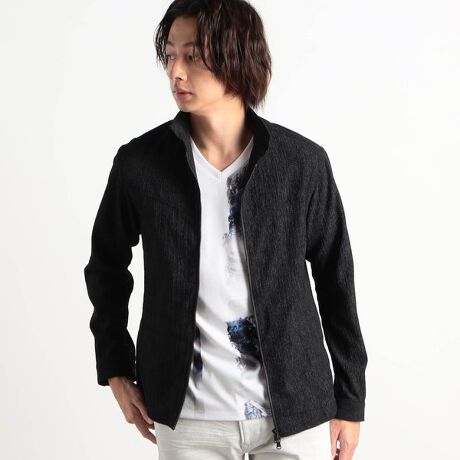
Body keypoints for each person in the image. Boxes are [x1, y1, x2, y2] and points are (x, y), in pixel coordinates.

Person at [83, 1, 368, 459]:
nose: (175, 71)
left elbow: (337, 281)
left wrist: (351, 399)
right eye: (170, 55)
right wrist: (116, 367)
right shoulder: (141, 164)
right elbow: (106, 266)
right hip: (189, 418)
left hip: (295, 412)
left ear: (236, 57)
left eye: (192, 56)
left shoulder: (301, 164)